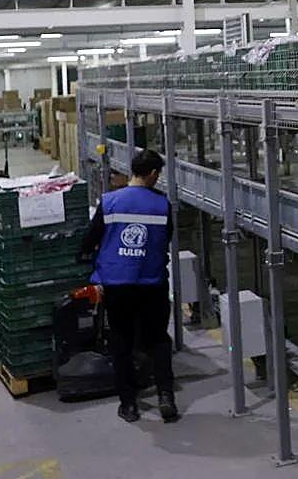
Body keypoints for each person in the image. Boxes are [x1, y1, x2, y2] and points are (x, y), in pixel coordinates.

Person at [80, 149, 178, 424]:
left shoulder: (110, 201)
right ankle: (166, 397)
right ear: (154, 174)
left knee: (121, 341)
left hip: (117, 285)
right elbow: (165, 239)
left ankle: (129, 404)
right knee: (158, 340)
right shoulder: (162, 205)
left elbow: (89, 240)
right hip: (151, 283)